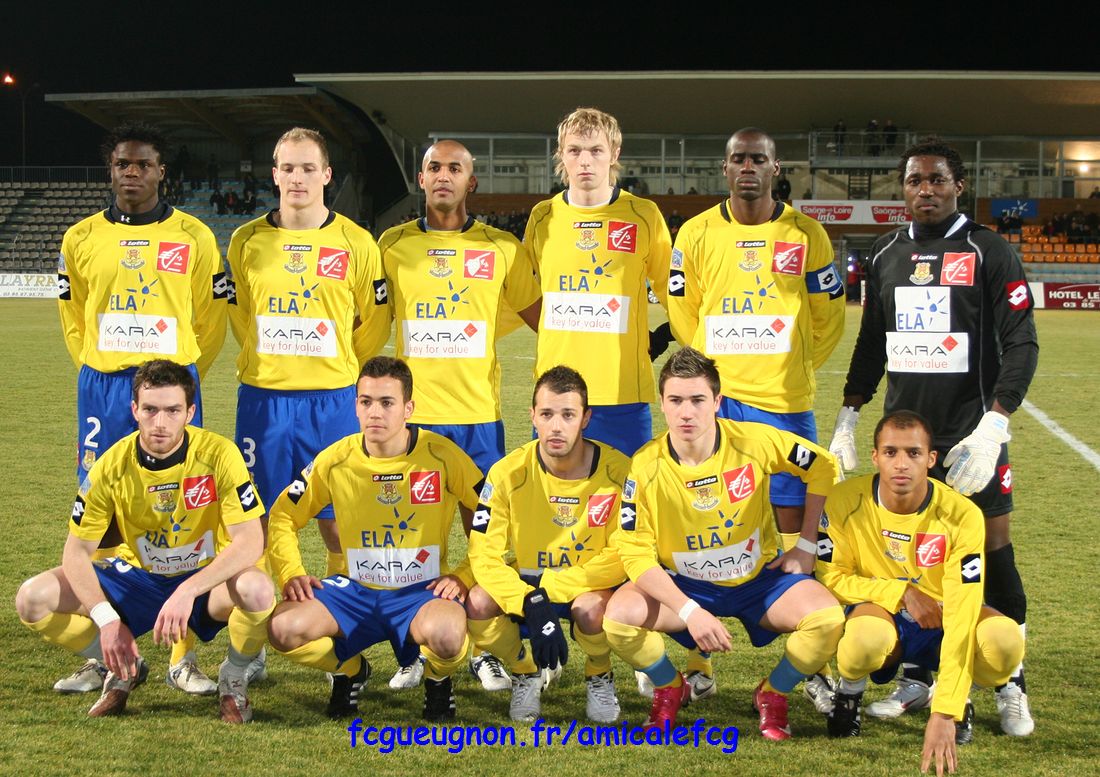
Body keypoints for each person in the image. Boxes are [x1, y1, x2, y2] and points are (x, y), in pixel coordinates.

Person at [828, 136, 1039, 737]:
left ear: (958, 186)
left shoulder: (989, 250)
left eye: (937, 179)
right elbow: (872, 344)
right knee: (913, 557)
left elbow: (1022, 342)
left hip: (972, 439)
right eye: (915, 180)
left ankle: (1011, 680)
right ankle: (920, 675)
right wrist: (849, 416)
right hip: (908, 444)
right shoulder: (885, 252)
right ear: (903, 188)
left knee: (992, 550)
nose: (926, 189)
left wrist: (995, 425)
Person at [56, 122, 228, 696]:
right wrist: (99, 362)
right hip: (104, 386)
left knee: (186, 509)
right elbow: (73, 315)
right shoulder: (80, 236)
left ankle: (182, 654)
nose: (132, 172)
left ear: (161, 172)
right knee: (98, 509)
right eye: (122, 164)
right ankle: (105, 646)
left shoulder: (195, 235)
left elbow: (210, 317)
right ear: (111, 171)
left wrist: (183, 376)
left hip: (171, 386)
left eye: (143, 164)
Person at [603, 348, 843, 739]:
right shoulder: (646, 465)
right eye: (676, 400)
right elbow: (634, 552)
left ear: (717, 401)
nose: (686, 412)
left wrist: (806, 544)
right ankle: (670, 686)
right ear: (661, 403)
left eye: (697, 400)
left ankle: (773, 692)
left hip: (758, 582)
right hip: (685, 585)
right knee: (618, 618)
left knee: (827, 620)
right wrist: (689, 610)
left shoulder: (754, 441)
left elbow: (823, 466)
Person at [15, 360, 273, 722]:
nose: (160, 422)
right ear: (135, 409)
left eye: (173, 411)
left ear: (190, 413)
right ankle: (123, 665)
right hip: (136, 579)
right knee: (32, 598)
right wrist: (106, 620)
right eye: (150, 410)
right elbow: (76, 552)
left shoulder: (219, 454)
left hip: (202, 580)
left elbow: (250, 540)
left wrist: (187, 591)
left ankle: (233, 676)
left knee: (258, 589)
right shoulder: (110, 465)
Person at [376, 139, 542, 691]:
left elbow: (541, 318)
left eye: (454, 168)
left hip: (476, 420)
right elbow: (373, 319)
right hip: (413, 421)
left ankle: (484, 649)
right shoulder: (393, 245)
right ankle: (412, 649)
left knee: (483, 539)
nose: (443, 175)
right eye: (433, 167)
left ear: (472, 182)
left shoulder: (502, 248)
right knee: (407, 539)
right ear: (421, 179)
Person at [265, 357, 481, 721]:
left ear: (408, 408)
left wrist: (464, 575)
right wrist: (291, 572)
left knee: (447, 634)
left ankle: (438, 679)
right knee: (282, 629)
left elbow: (494, 515)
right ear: (356, 406)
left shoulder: (442, 455)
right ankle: (350, 670)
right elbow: (284, 514)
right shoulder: (334, 460)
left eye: (386, 402)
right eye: (366, 402)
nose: (374, 413)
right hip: (355, 591)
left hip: (421, 591)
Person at [667, 127, 844, 572]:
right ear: (725, 168)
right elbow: (683, 311)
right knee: (712, 508)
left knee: (792, 514)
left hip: (784, 400)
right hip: (718, 401)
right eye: (739, 159)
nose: (748, 167)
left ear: (775, 168)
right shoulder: (695, 233)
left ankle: (795, 598)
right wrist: (710, 371)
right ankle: (712, 600)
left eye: (758, 159)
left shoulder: (806, 233)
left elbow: (828, 316)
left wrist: (794, 363)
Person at [816, 411, 1024, 775]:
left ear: (931, 459)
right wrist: (901, 593)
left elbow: (962, 611)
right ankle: (848, 694)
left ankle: (958, 696)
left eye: (913, 453)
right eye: (891, 452)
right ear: (875, 456)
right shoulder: (844, 500)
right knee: (862, 640)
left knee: (1003, 641)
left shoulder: (962, 515)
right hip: (882, 612)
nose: (901, 464)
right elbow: (831, 577)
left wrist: (945, 711)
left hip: (945, 614)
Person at [226, 127, 391, 580]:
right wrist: (268, 356)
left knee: (337, 521)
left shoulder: (356, 241)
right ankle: (255, 624)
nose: (298, 177)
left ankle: (342, 607)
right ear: (275, 175)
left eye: (308, 168)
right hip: (264, 400)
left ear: (327, 175)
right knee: (257, 522)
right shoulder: (246, 240)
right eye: (289, 168)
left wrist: (342, 359)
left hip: (332, 400)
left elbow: (376, 320)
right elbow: (240, 314)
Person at [466, 366, 629, 723]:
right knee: (477, 602)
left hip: (587, 584)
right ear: (533, 417)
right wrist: (527, 599)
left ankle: (599, 672)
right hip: (527, 582)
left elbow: (623, 553)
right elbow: (484, 553)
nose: (556, 426)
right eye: (547, 414)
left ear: (585, 418)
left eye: (568, 415)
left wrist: (550, 589)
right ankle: (524, 671)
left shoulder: (619, 472)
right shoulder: (507, 472)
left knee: (591, 609)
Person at [523, 107, 672, 457]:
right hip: (556, 391)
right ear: (561, 154)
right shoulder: (542, 217)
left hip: (623, 391)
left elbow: (674, 291)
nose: (585, 161)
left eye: (596, 150)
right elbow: (521, 294)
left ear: (614, 154)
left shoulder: (643, 215)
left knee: (628, 490)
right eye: (575, 150)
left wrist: (669, 332)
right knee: (555, 490)